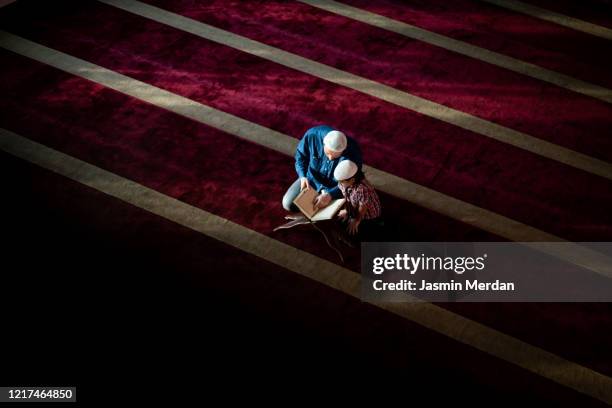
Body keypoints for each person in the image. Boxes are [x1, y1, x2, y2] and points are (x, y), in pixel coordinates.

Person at [282, 125, 362, 212]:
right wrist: (303, 176)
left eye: (336, 156)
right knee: (287, 204)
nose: (331, 158)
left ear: (344, 149)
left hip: (335, 187)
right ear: (323, 143)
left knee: (343, 217)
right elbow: (300, 157)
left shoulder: (354, 152)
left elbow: (352, 180)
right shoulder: (312, 135)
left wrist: (331, 195)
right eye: (328, 153)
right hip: (311, 181)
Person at [333, 160, 383, 240]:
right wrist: (347, 210)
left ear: (352, 180)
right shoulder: (343, 183)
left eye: (342, 182)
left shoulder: (362, 188)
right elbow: (347, 197)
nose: (340, 184)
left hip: (368, 215)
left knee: (354, 234)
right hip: (354, 207)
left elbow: (363, 207)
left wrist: (356, 220)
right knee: (338, 220)